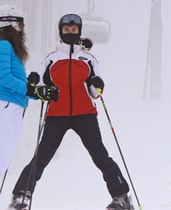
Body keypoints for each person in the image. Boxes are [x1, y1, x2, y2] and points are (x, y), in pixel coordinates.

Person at [10, 14, 133, 210]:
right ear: (61, 31)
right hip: (57, 114)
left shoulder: (88, 59)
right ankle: (21, 198)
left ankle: (121, 197)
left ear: (79, 32)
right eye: (66, 30)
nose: (70, 32)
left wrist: (97, 85)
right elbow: (43, 90)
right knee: (42, 157)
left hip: (85, 114)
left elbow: (95, 94)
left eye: (73, 30)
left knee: (100, 155)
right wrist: (34, 83)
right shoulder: (50, 59)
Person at [0, 6, 57, 179]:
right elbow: (3, 77)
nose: (23, 29)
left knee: (4, 158)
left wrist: (36, 91)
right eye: (21, 24)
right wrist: (30, 89)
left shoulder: (8, 47)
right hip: (5, 106)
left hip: (12, 106)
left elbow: (12, 80)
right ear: (14, 25)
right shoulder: (3, 45)